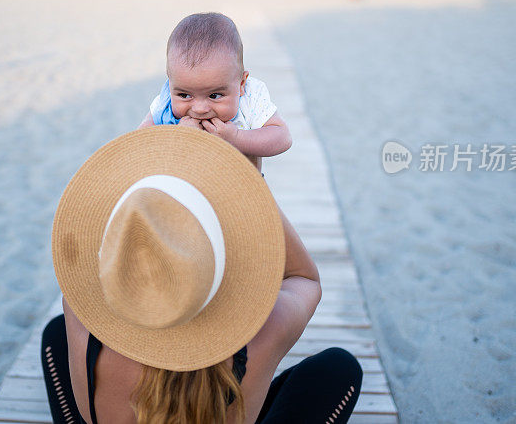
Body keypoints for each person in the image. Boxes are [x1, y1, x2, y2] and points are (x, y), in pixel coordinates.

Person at [43, 127, 362, 423]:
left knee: (57, 334)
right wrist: (247, 182)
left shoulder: (79, 316)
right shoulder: (264, 333)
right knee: (339, 369)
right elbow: (304, 280)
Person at [138, 13, 292, 171]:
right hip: (183, 190)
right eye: (185, 95)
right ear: (170, 83)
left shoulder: (250, 97)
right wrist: (177, 136)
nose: (199, 108)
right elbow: (139, 142)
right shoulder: (166, 103)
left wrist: (236, 138)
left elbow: (282, 137)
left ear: (241, 84)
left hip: (238, 190)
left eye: (214, 96)